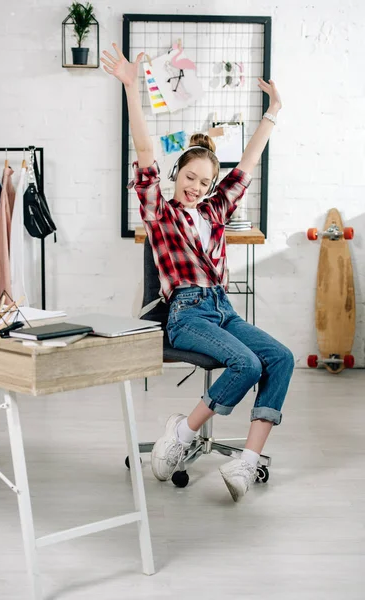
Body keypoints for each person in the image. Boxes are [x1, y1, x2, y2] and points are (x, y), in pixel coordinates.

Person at [101, 43, 294, 502]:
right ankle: (183, 434)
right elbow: (145, 149)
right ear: (177, 173)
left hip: (222, 310)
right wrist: (132, 89)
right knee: (245, 364)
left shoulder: (217, 210)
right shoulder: (159, 212)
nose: (196, 188)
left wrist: (274, 111)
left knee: (281, 358)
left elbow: (248, 163)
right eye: (190, 178)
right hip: (186, 312)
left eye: (204, 182)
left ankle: (247, 461)